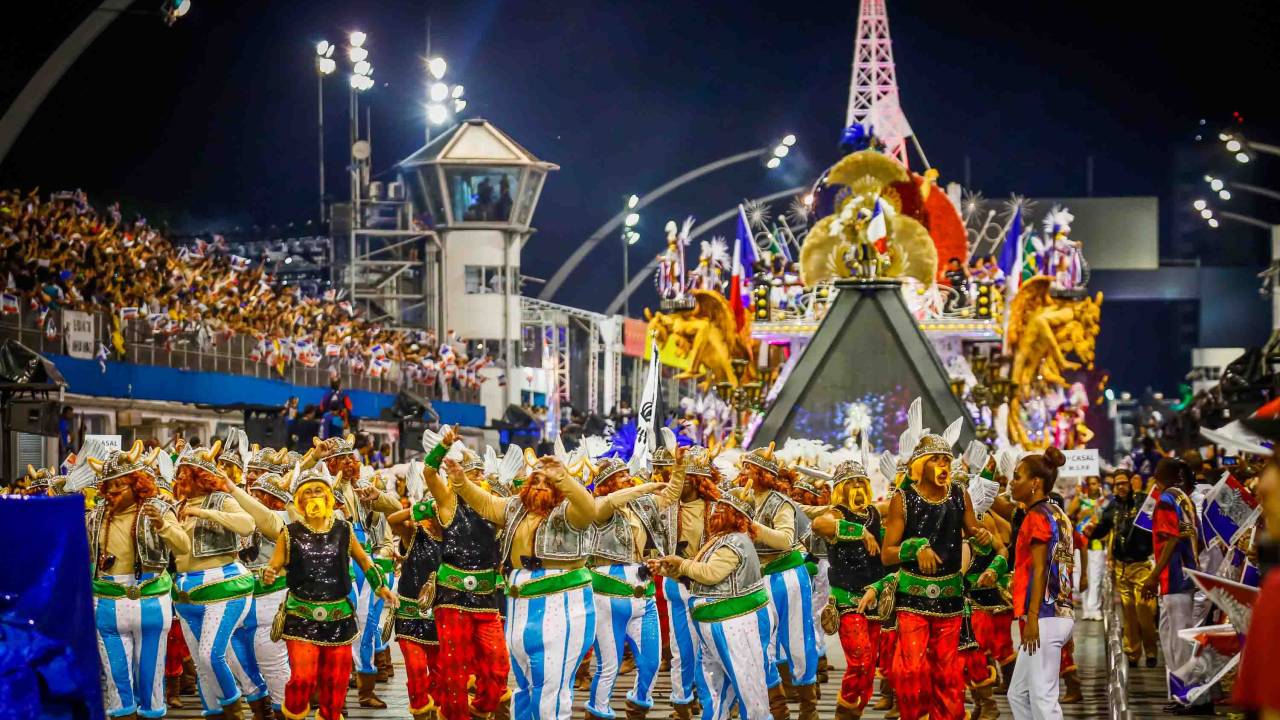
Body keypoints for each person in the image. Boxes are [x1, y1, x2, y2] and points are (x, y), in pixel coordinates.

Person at [448, 451, 620, 720]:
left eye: (546, 482)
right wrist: (460, 481)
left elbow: (589, 508)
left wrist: (562, 477)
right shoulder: (516, 507)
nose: (540, 486)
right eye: (535, 481)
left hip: (561, 607)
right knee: (526, 686)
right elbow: (485, 503)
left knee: (551, 688)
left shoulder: (570, 513)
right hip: (520, 608)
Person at [261, 463, 397, 720]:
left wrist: (380, 587)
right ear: (300, 500)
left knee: (336, 684)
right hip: (301, 618)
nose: (314, 496)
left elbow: (365, 561)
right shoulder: (289, 533)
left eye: (318, 491)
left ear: (328, 497)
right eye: (308, 492)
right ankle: (295, 715)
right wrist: (270, 573)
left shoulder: (344, 529)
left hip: (339, 617)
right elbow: (275, 565)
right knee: (302, 679)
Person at [872, 433, 993, 720]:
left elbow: (976, 534)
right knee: (912, 669)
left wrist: (983, 538)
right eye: (936, 460)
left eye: (946, 460)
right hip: (912, 598)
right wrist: (916, 547)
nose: (943, 466)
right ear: (921, 464)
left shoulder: (960, 493)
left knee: (948, 673)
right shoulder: (902, 499)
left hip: (950, 598)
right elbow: (887, 554)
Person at [86, 442, 190, 719]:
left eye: (118, 486)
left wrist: (164, 526)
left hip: (151, 601)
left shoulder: (158, 510)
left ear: (137, 484)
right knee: (116, 678)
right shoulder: (95, 517)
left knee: (151, 678)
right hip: (107, 602)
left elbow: (183, 547)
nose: (111, 493)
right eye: (107, 486)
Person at [650, 492, 773, 720]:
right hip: (714, 624)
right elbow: (700, 579)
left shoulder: (735, 540)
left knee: (747, 684)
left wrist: (682, 563)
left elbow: (711, 574)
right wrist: (671, 571)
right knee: (712, 684)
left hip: (734, 624)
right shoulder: (719, 538)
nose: (715, 511)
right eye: (717, 507)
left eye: (723, 509)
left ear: (737, 516)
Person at [417, 431, 511, 720]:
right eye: (474, 474)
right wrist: (443, 447)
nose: (479, 478)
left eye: (481, 474)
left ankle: (481, 709)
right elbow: (429, 472)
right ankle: (454, 715)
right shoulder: (448, 501)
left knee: (498, 664)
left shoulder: (495, 507)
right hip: (453, 595)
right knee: (454, 667)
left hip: (485, 596)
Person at [170, 441, 265, 720]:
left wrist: (203, 512)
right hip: (186, 592)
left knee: (212, 655)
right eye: (178, 476)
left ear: (200, 477)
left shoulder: (222, 499)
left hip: (222, 587)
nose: (179, 481)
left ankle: (234, 712)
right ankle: (215, 712)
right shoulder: (177, 506)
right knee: (202, 663)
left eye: (184, 475)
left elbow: (248, 524)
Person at [729, 445, 821, 720]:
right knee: (757, 646)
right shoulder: (737, 497)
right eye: (743, 467)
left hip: (787, 578)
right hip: (754, 581)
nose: (743, 472)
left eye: (749, 468)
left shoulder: (780, 502)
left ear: (762, 474)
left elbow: (784, 539)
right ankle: (778, 709)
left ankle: (808, 708)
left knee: (797, 643)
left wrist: (753, 529)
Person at [308, 435, 400, 709]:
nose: (350, 463)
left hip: (361, 561)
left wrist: (377, 496)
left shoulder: (361, 488)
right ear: (330, 463)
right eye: (343, 458)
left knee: (367, 625)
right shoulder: (317, 488)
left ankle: (364, 688)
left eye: (352, 457)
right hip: (330, 563)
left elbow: (396, 510)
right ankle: (323, 691)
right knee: (329, 627)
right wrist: (318, 463)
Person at [582, 456, 676, 720]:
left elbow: (670, 495)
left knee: (651, 662)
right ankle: (597, 711)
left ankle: (638, 706)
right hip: (606, 595)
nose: (629, 478)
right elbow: (612, 501)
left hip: (642, 591)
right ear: (608, 483)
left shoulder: (640, 506)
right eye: (622, 476)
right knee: (609, 666)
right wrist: (645, 487)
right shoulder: (597, 506)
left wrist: (678, 467)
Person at [810, 460, 885, 719]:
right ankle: (845, 712)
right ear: (840, 488)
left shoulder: (876, 512)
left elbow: (900, 509)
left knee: (870, 663)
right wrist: (861, 533)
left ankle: (853, 712)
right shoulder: (836, 513)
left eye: (859, 481)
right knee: (861, 660)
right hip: (848, 601)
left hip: (876, 599)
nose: (856, 486)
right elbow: (819, 525)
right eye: (850, 482)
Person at [1006, 448, 1075, 720]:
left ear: (1035, 483)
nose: (1012, 482)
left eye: (1017, 477)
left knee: (1044, 700)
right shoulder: (1056, 512)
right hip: (1057, 615)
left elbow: (1040, 567)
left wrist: (1032, 617)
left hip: (1045, 617)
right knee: (1018, 694)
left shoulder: (1036, 516)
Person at [1141, 458, 1209, 715]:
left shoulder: (1166, 500)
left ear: (1157, 476)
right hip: (1185, 577)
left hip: (1174, 580)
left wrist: (1153, 576)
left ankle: (1191, 698)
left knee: (1178, 642)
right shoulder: (1185, 499)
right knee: (1175, 639)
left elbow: (1170, 539)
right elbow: (1198, 539)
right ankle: (1185, 695)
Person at [1085, 467, 1157, 667]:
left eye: (1124, 483)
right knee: (1128, 612)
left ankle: (1151, 651)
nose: (1121, 487)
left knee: (1144, 609)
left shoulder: (1144, 502)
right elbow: (1102, 529)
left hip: (1142, 565)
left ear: (1132, 482)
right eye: (1117, 484)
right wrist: (1092, 531)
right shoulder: (1112, 506)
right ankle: (1132, 653)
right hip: (1121, 567)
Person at [386, 485, 445, 720]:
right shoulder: (414, 534)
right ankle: (420, 714)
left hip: (442, 617)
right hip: (410, 616)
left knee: (441, 675)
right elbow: (393, 519)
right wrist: (423, 508)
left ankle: (438, 713)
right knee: (417, 670)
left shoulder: (456, 538)